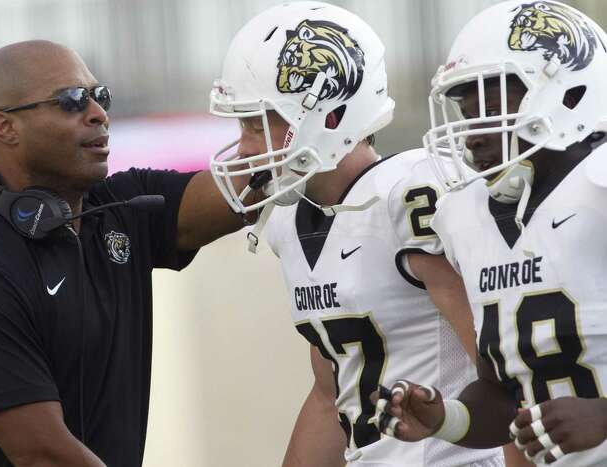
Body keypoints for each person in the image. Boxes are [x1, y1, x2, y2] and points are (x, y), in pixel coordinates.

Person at [0, 40, 247, 466]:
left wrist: (305, 127)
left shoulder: (124, 205)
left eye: (101, 96)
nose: (99, 114)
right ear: (5, 127)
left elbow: (245, 188)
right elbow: (43, 455)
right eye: (72, 100)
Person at [209, 2, 505, 466]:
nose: (246, 145)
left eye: (259, 123)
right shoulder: (290, 221)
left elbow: (506, 375)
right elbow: (332, 397)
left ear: (331, 116)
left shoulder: (411, 196)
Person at [372, 1, 607, 465]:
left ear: (571, 95)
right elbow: (504, 398)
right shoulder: (468, 216)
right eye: (467, 113)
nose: (472, 135)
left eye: (494, 108)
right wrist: (445, 419)